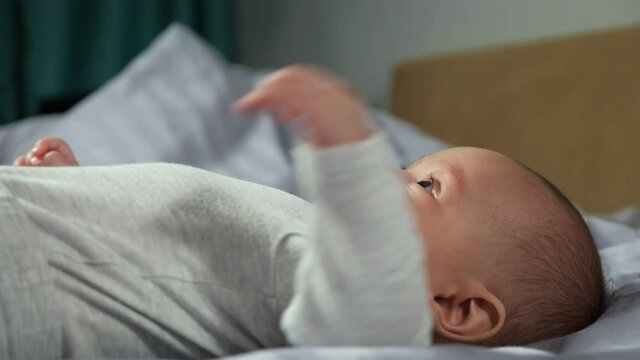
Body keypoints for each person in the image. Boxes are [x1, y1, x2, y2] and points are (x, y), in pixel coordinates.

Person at [6, 66, 603, 358]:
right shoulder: (306, 244)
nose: (391, 172)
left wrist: (347, 142)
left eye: (427, 184)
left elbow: (361, 319)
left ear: (458, 308)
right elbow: (163, 262)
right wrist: (80, 194)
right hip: (46, 236)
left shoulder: (361, 307)